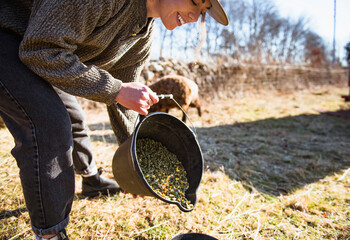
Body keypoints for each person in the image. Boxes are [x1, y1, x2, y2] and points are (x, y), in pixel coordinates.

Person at [0, 0, 228, 239]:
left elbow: (127, 104)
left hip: (38, 52)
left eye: (202, 12)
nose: (194, 16)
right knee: (50, 125)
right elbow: (40, 50)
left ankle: (91, 181)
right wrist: (115, 90)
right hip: (10, 37)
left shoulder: (142, 38)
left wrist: (135, 163)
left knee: (74, 117)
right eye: (194, 2)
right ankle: (50, 234)